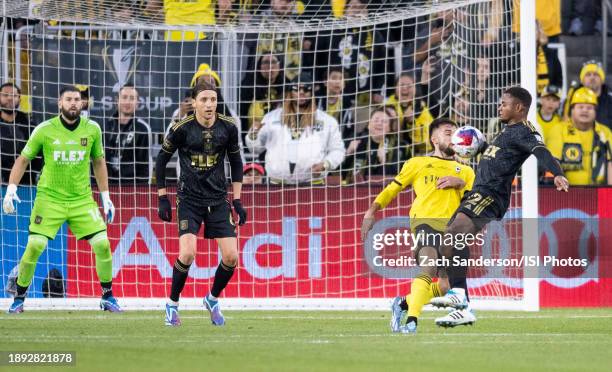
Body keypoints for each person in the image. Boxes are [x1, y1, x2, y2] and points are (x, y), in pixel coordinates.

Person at [430, 87, 569, 327]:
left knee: (454, 236)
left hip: (491, 194)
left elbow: (541, 150)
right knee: (448, 242)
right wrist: (479, 147)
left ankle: (459, 298)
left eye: (504, 104)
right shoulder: (506, 132)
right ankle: (461, 304)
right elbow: (498, 157)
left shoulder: (526, 131)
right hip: (478, 192)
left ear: (519, 108)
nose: (499, 107)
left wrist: (556, 173)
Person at [2, 85, 120, 313]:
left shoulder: (92, 129)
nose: (74, 103)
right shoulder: (44, 129)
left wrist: (105, 196)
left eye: (77, 99)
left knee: (103, 245)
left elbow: (98, 162)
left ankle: (107, 296)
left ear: (82, 103)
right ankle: (19, 298)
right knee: (35, 245)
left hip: (81, 200)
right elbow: (23, 159)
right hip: (49, 199)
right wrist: (11, 189)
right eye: (69, 99)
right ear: (60, 103)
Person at [361, 118, 475, 334]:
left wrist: (459, 183)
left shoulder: (466, 171)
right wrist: (371, 211)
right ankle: (411, 321)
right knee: (428, 265)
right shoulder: (417, 163)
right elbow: (392, 189)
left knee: (444, 287)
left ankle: (403, 303)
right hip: (425, 222)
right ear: (434, 139)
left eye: (457, 134)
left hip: (452, 229)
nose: (455, 137)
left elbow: (471, 202)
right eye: (448, 132)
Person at [155, 80, 246, 327]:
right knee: (187, 252)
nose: (209, 104)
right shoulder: (181, 128)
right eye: (203, 100)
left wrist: (237, 201)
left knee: (231, 257)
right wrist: (162, 197)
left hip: (218, 200)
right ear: (193, 102)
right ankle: (172, 306)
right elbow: (161, 160)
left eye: (213, 100)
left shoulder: (228, 127)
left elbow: (237, 164)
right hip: (189, 200)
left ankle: (212, 298)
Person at [245, 72, 345, 185]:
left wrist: (326, 164)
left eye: (306, 89)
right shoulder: (271, 118)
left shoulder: (327, 121)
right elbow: (255, 149)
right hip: (276, 184)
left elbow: (338, 150)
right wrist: (253, 134)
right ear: (290, 92)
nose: (301, 92)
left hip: (313, 184)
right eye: (296, 89)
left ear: (312, 93)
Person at [547, 87, 612, 185]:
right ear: (572, 110)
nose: (585, 110)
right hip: (566, 192)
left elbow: (610, 163)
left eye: (589, 107)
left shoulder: (605, 133)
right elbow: (553, 162)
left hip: (599, 192)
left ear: (595, 112)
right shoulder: (559, 130)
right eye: (580, 107)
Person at [105, 84, 152, 184]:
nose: (127, 102)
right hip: (106, 186)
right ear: (117, 100)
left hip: (131, 188)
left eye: (132, 98)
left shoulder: (142, 129)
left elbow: (145, 165)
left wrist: (142, 191)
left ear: (137, 103)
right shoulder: (105, 127)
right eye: (124, 97)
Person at [0, 82, 39, 184]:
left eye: (14, 95)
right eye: (5, 94)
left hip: (25, 180)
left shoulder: (29, 124)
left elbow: (38, 154)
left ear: (20, 99)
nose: (9, 98)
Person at [578, 61, 612, 129]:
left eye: (596, 74)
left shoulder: (610, 102)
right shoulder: (572, 102)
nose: (592, 77)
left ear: (602, 79)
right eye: (588, 74)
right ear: (582, 80)